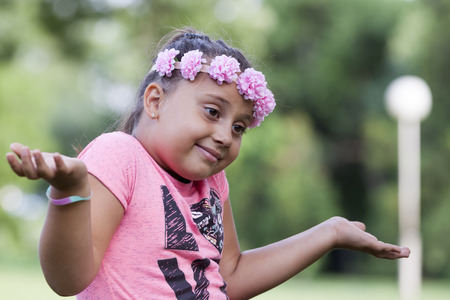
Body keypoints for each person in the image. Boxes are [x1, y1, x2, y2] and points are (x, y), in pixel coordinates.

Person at [6, 27, 410, 300]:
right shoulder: (120, 155)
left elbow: (228, 275)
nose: (225, 136)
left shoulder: (213, 184)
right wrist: (70, 190)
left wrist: (329, 232)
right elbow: (67, 279)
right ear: (155, 101)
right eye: (213, 112)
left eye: (239, 127)